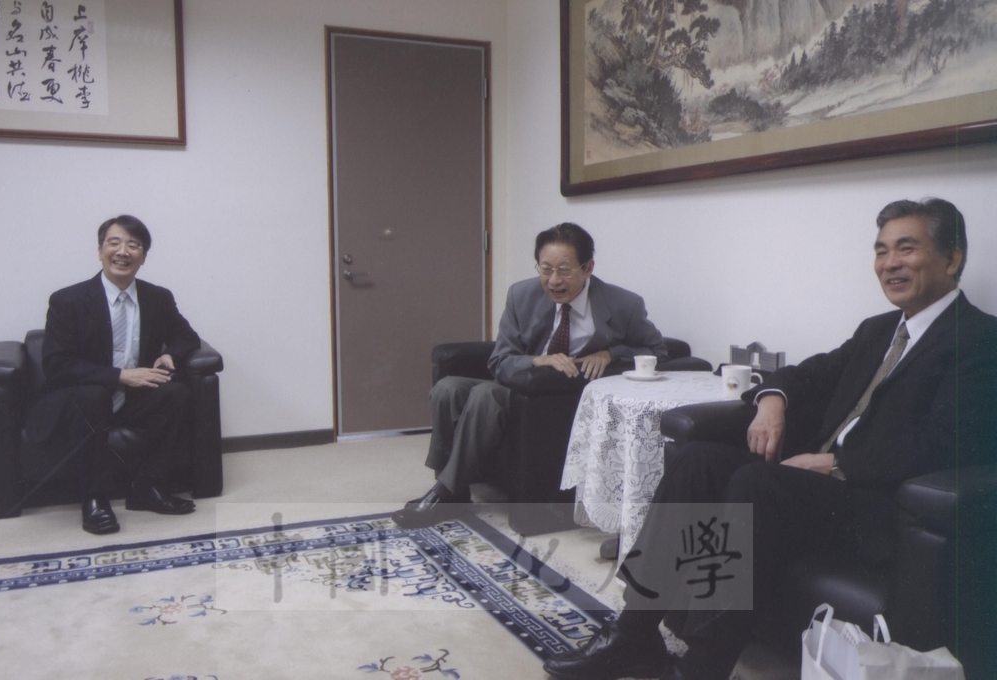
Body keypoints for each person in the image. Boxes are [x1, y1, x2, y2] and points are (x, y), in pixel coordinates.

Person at [543, 198, 997, 680]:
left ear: (952, 258)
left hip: (880, 504)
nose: (889, 263)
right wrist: (772, 400)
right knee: (697, 460)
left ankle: (702, 667)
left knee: (757, 482)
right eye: (881, 251)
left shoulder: (979, 339)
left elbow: (944, 442)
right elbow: (809, 374)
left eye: (906, 249)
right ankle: (634, 634)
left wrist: (836, 463)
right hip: (819, 488)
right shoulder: (879, 330)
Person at [392, 222, 668, 529]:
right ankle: (453, 491)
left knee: (485, 394)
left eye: (565, 270)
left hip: (552, 403)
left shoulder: (622, 304)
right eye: (545, 269)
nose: (553, 280)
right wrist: (538, 360)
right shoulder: (521, 295)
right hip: (519, 382)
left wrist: (610, 354)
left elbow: (658, 350)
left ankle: (443, 494)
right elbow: (499, 360)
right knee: (447, 388)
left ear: (588, 268)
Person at [30, 215, 201, 535]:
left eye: (133, 245)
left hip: (130, 401)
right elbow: (57, 365)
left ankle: (148, 488)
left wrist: (172, 355)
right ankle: (94, 499)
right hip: (81, 402)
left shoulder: (157, 297)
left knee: (174, 392)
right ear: (100, 251)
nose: (123, 251)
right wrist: (120, 376)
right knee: (93, 394)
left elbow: (186, 337)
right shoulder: (68, 300)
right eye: (114, 243)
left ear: (143, 257)